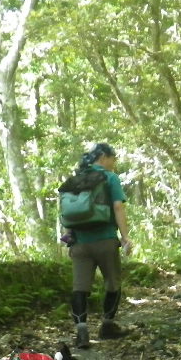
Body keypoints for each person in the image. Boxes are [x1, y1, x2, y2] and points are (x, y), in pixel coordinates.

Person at [64, 142, 132, 349]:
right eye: (114, 159)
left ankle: (82, 332)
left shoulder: (74, 179)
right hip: (105, 240)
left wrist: (68, 239)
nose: (114, 163)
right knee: (112, 282)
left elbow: (66, 213)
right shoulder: (109, 178)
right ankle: (107, 326)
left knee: (80, 288)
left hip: (80, 244)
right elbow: (118, 206)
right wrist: (125, 236)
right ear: (104, 157)